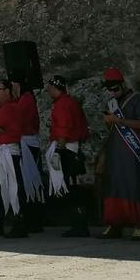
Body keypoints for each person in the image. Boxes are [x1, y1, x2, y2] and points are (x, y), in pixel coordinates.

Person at [98, 67, 140, 240]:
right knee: (114, 186)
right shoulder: (112, 104)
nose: (113, 92)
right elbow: (111, 129)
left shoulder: (139, 100)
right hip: (115, 151)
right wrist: (109, 122)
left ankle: (139, 224)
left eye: (115, 88)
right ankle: (114, 223)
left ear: (123, 84)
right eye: (110, 89)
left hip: (133, 152)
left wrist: (118, 120)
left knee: (134, 186)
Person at [45, 74, 91, 237]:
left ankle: (79, 225)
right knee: (74, 186)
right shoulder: (70, 102)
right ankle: (79, 224)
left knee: (72, 187)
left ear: (53, 87)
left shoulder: (62, 105)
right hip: (74, 149)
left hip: (68, 150)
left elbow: (63, 129)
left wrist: (57, 151)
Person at [0, 79, 27, 237]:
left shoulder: (9, 109)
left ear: (7, 91)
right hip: (0, 154)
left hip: (6, 154)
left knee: (12, 188)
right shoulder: (4, 109)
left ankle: (17, 223)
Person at [11, 77, 45, 232]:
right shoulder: (28, 99)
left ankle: (33, 218)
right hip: (29, 142)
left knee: (28, 181)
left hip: (26, 143)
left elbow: (19, 121)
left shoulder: (25, 100)